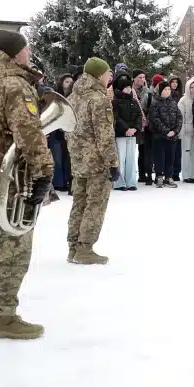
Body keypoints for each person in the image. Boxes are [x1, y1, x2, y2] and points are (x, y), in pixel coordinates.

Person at [0, 30, 54, 338]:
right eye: (26, 49)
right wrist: (44, 170)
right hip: (12, 181)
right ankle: (5, 315)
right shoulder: (14, 85)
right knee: (15, 245)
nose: (29, 54)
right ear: (15, 53)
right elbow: (29, 133)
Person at [67, 57, 117, 265]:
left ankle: (73, 246)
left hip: (78, 160)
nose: (110, 77)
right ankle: (85, 248)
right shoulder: (98, 99)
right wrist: (112, 163)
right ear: (98, 75)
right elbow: (104, 136)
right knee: (95, 205)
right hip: (97, 162)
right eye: (108, 73)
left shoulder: (73, 97)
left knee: (79, 203)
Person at [148, 80, 182, 188]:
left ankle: (169, 176)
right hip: (160, 136)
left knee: (170, 157)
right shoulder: (155, 103)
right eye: (165, 89)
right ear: (161, 91)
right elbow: (155, 119)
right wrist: (166, 131)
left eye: (169, 89)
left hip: (172, 136)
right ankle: (159, 176)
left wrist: (175, 131)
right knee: (159, 157)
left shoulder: (173, 103)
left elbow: (179, 118)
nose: (168, 91)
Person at [112, 73, 141, 191]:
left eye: (130, 87)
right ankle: (119, 182)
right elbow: (116, 117)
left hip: (132, 134)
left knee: (131, 159)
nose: (129, 89)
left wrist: (135, 128)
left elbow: (139, 116)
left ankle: (131, 181)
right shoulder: (115, 101)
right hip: (121, 134)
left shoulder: (134, 101)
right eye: (126, 87)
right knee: (120, 158)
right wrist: (126, 129)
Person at [178, 78, 194, 182]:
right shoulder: (183, 100)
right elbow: (180, 117)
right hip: (186, 131)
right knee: (186, 153)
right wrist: (181, 131)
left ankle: (193, 174)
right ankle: (186, 175)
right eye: (191, 87)